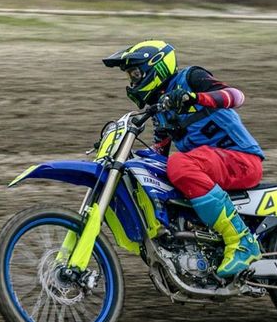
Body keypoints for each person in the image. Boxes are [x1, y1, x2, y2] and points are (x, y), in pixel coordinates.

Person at [103, 40, 264, 278]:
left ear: (156, 66)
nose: (133, 81)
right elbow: (158, 154)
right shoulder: (161, 110)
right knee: (144, 169)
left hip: (241, 160)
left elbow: (236, 96)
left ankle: (241, 241)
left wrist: (194, 98)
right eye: (130, 76)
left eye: (136, 73)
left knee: (180, 163)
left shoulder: (191, 78)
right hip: (211, 166)